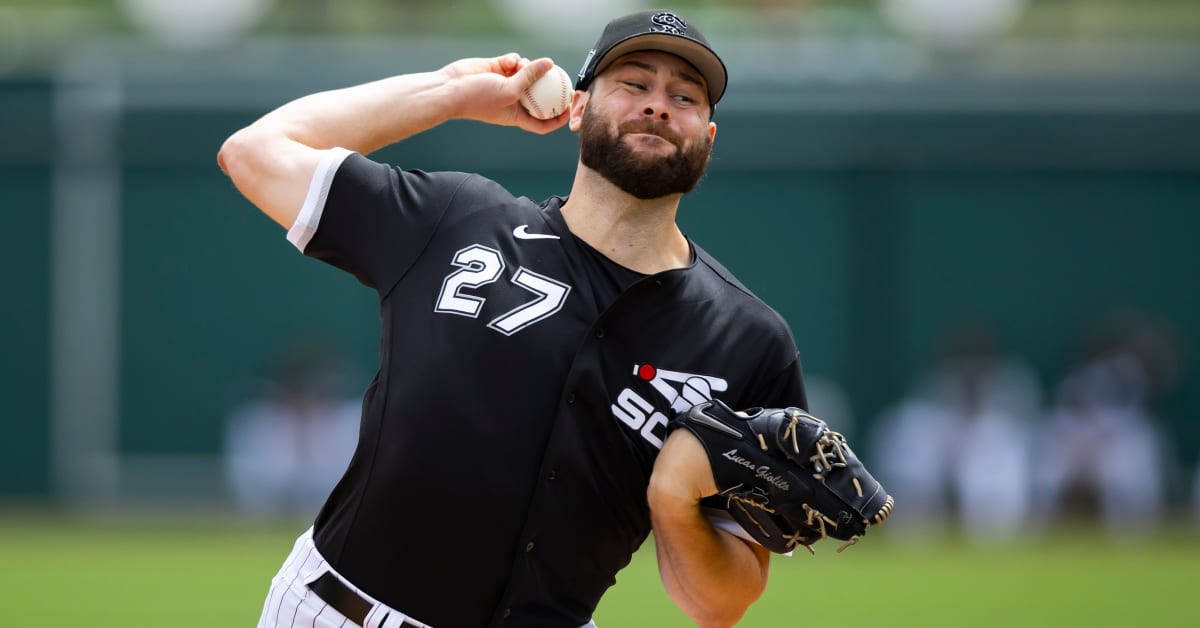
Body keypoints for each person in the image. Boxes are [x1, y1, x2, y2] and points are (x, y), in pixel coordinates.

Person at [218, 10, 808, 628]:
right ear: (577, 107)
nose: (658, 105)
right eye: (633, 84)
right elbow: (253, 153)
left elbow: (721, 606)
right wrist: (449, 92)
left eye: (684, 96)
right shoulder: (454, 220)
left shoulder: (747, 342)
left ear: (707, 138)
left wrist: (674, 500)